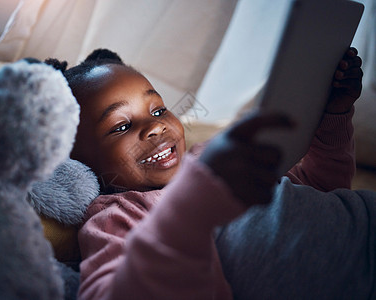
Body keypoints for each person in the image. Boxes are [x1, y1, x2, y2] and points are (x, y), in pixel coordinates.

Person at [49, 47, 374, 299]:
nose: (155, 126)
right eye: (121, 126)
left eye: (159, 109)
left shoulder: (216, 158)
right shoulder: (119, 215)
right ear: (76, 161)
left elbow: (322, 190)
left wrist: (335, 114)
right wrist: (191, 206)